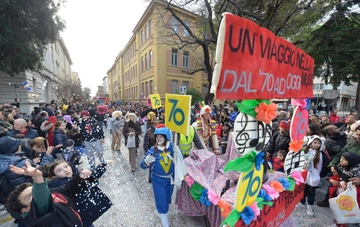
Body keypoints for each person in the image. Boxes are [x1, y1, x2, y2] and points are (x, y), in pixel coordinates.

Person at [6, 161, 84, 227]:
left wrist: (80, 176)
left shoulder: (53, 194)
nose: (36, 196)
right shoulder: (38, 219)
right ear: (25, 210)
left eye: (34, 191)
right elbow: (41, 199)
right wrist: (37, 176)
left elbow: (67, 186)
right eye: (30, 196)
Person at [140, 125, 175, 227]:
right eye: (157, 137)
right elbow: (142, 165)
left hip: (170, 180)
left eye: (161, 136)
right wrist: (146, 162)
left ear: (166, 137)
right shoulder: (153, 150)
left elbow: (180, 162)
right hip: (158, 181)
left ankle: (163, 212)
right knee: (161, 202)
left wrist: (178, 154)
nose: (158, 139)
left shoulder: (173, 148)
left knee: (167, 200)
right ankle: (165, 224)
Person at [297, 135, 324, 216]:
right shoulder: (305, 151)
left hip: (313, 175)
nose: (317, 144)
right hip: (304, 173)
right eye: (315, 142)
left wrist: (317, 175)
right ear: (310, 142)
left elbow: (319, 166)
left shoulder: (319, 154)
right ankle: (302, 201)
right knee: (303, 189)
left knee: (311, 191)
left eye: (319, 143)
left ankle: (310, 205)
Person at [143, 115, 160, 182]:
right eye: (155, 123)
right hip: (152, 152)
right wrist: (147, 153)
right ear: (152, 124)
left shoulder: (160, 131)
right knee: (151, 166)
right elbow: (145, 144)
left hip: (159, 152)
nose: (156, 125)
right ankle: (151, 178)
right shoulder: (148, 132)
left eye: (157, 123)